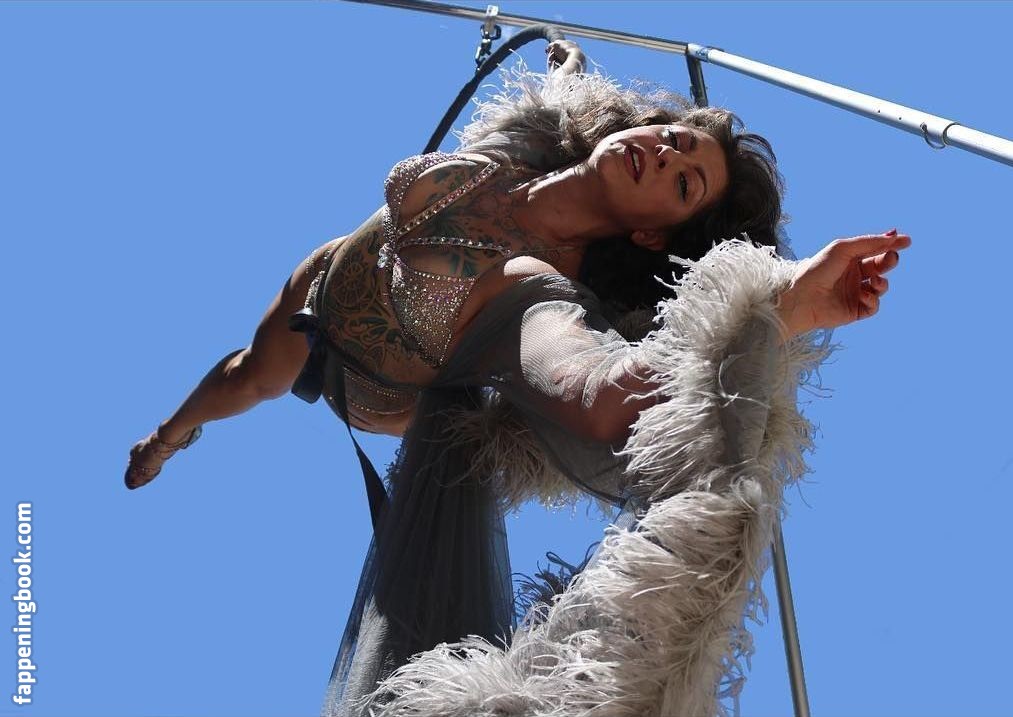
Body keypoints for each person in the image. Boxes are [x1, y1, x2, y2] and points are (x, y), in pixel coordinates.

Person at [123, 40, 911, 715]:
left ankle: (172, 432)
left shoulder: (537, 291)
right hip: (319, 286)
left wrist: (772, 307)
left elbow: (598, 392)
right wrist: (568, 64)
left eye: (684, 183)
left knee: (264, 376)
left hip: (371, 384)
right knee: (247, 374)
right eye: (674, 137)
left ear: (651, 233)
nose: (668, 154)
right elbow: (567, 104)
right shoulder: (536, 144)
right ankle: (171, 433)